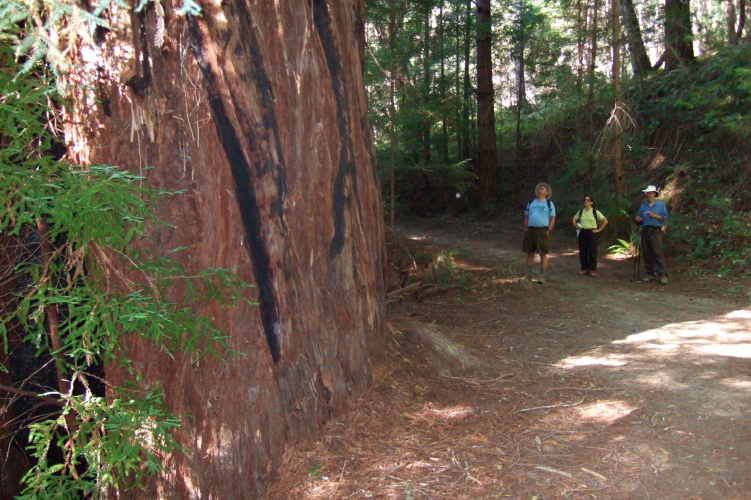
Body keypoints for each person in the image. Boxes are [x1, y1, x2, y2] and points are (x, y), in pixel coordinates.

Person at [634, 185, 669, 284]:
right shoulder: (643, 206)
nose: (648, 195)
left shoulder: (660, 205)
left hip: (655, 230)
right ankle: (649, 273)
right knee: (647, 252)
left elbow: (664, 218)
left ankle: (662, 274)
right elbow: (638, 219)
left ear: (654, 194)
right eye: (647, 193)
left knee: (657, 252)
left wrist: (654, 216)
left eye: (649, 193)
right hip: (645, 230)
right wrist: (638, 219)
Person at [523, 182, 556, 284]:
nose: (540, 190)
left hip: (542, 230)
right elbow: (527, 216)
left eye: (542, 189)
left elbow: (553, 218)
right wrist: (525, 227)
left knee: (543, 253)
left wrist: (549, 229)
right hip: (531, 230)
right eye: (539, 188)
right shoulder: (531, 203)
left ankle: (542, 276)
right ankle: (528, 275)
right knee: (530, 253)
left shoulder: (549, 204)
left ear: (546, 193)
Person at [572, 195, 608, 277]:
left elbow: (605, 221)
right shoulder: (581, 211)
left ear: (592, 202)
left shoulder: (595, 212)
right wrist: (578, 227)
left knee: (592, 251)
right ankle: (584, 268)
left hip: (592, 232)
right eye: (585, 200)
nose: (586, 201)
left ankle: (592, 270)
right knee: (583, 251)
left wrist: (599, 230)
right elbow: (574, 219)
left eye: (588, 200)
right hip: (583, 232)